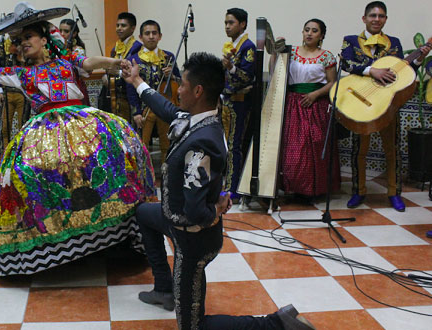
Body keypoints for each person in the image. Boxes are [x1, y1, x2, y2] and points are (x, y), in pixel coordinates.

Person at [121, 52, 315, 330]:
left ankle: (277, 324)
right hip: (175, 219)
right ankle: (164, 288)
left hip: (193, 239)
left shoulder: (202, 143)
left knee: (193, 326)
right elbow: (166, 108)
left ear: (198, 91)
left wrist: (215, 208)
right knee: (142, 213)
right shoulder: (197, 117)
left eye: (183, 85)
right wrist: (136, 80)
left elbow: (197, 212)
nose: (179, 90)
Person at [0, 5, 155, 276]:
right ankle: (55, 243)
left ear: (45, 40)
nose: (23, 44)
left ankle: (113, 233)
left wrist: (113, 62)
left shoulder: (67, 62)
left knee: (119, 151)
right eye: (19, 41)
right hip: (43, 130)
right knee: (25, 175)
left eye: (28, 39)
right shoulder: (21, 74)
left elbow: (90, 63)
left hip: (82, 122)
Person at [342, 1, 431, 211]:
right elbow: (346, 64)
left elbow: (401, 70)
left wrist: (419, 60)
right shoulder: (351, 41)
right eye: (372, 15)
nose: (376, 19)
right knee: (359, 150)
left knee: (392, 150)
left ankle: (393, 192)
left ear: (385, 20)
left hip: (387, 104)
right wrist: (371, 71)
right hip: (360, 103)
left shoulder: (395, 43)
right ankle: (359, 191)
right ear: (364, 18)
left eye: (381, 16)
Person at [280, 19, 340, 201]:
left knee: (314, 146)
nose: (309, 33)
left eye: (314, 31)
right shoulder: (291, 52)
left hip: (315, 105)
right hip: (293, 104)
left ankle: (315, 189)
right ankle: (293, 187)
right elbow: (277, 71)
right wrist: (275, 52)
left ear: (321, 35)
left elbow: (333, 82)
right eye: (306, 30)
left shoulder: (327, 56)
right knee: (293, 147)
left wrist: (315, 95)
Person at [126, 20, 181, 162]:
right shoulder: (133, 59)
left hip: (164, 107)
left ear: (160, 36)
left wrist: (172, 76)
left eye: (154, 33)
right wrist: (136, 112)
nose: (151, 36)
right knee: (140, 144)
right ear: (141, 37)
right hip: (144, 109)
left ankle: (166, 174)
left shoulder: (168, 57)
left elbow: (180, 81)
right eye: (147, 33)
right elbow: (131, 89)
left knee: (167, 143)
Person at [220, 8, 256, 202]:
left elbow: (247, 77)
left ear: (242, 24)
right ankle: (228, 183)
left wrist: (231, 67)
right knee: (227, 144)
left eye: (231, 22)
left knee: (235, 145)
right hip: (227, 101)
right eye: (226, 22)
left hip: (240, 103)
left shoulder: (248, 46)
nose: (227, 26)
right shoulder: (232, 45)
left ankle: (234, 187)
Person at [104, 12, 142, 122]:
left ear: (132, 28)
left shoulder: (137, 47)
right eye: (117, 25)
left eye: (123, 26)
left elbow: (134, 72)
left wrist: (117, 73)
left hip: (130, 95)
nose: (119, 29)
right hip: (117, 95)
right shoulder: (115, 48)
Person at [0, 32, 27, 146]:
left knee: (23, 126)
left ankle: (22, 154)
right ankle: (5, 154)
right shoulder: (2, 46)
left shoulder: (24, 44)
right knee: (5, 126)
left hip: (22, 92)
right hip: (7, 92)